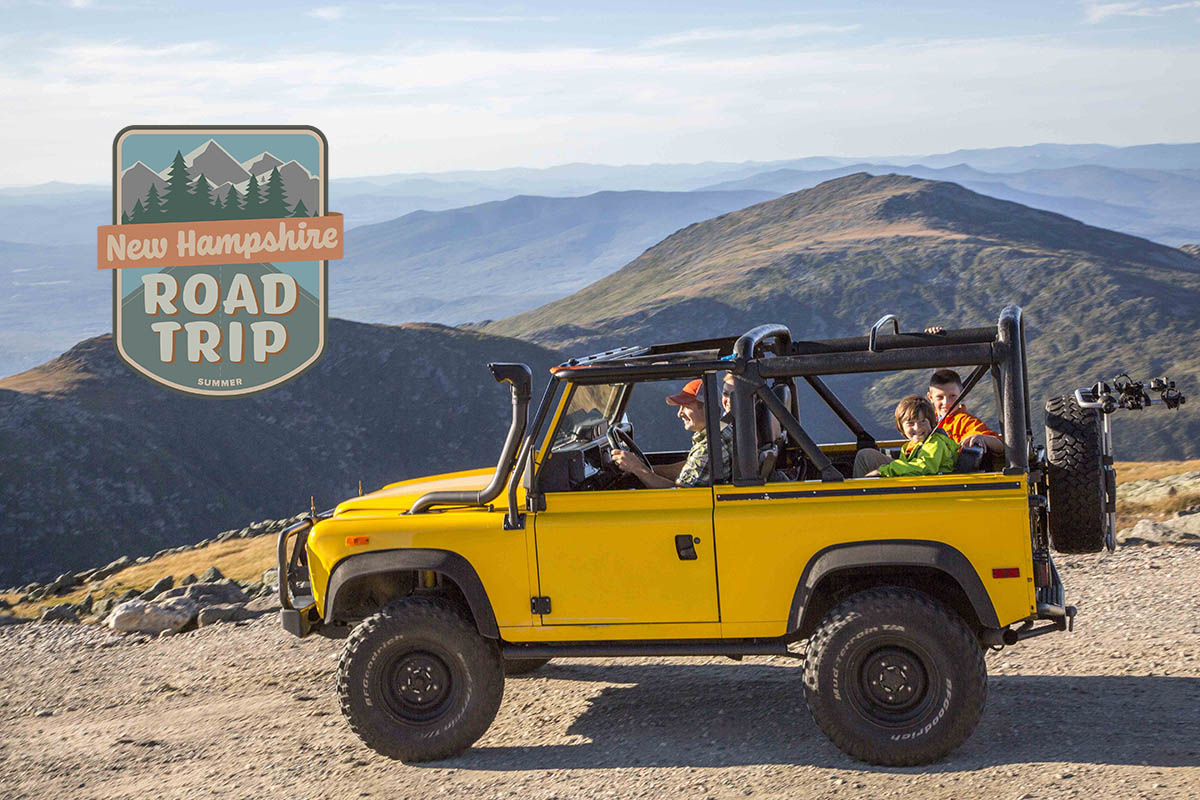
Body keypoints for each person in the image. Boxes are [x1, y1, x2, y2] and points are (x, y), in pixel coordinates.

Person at [612, 379, 732, 488]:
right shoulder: (719, 431)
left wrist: (638, 469)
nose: (679, 414)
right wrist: (645, 468)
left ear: (707, 408)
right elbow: (689, 467)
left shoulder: (707, 449)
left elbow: (678, 496)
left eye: (686, 407)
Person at [855, 395, 959, 478]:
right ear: (901, 427)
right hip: (915, 483)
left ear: (931, 424)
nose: (917, 428)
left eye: (922, 422)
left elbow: (924, 467)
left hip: (930, 488)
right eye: (910, 423)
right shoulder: (910, 446)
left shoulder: (936, 443)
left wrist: (883, 471)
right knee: (865, 456)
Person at [927, 369, 1004, 455]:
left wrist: (981, 438)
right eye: (940, 397)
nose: (946, 402)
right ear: (931, 398)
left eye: (952, 396)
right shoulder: (925, 420)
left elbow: (1000, 445)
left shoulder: (965, 422)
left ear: (961, 395)